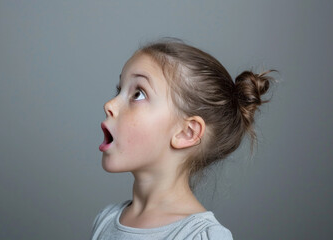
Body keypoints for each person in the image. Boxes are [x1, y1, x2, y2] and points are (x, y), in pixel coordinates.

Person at [91, 39, 275, 240]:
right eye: (119, 90)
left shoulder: (203, 236)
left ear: (186, 132)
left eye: (138, 93)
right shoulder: (106, 220)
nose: (109, 104)